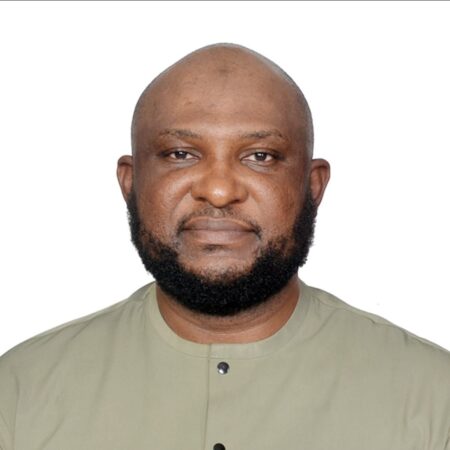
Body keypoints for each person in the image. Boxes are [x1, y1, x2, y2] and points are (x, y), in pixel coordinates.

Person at [0, 43, 449, 450]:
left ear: (312, 187)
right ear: (130, 183)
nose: (218, 191)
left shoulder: (433, 399)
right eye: (180, 154)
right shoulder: (19, 393)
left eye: (260, 156)